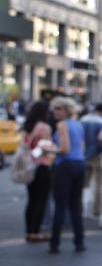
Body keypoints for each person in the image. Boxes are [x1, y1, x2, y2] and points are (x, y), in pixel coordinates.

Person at [47, 97, 86, 253]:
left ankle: (54, 243)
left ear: (67, 110)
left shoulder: (62, 125)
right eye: (54, 108)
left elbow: (65, 149)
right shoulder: (78, 124)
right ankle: (79, 241)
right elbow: (81, 147)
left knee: (60, 205)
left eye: (59, 108)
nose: (55, 111)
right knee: (75, 205)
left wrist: (49, 149)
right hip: (79, 164)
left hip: (65, 165)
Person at [21, 101, 53, 242]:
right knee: (41, 199)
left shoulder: (27, 127)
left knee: (32, 199)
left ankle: (29, 230)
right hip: (41, 165)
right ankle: (35, 231)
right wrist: (54, 149)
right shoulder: (44, 127)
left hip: (28, 166)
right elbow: (44, 148)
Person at [80, 102, 102, 218]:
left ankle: (79, 208)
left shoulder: (83, 120)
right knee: (98, 184)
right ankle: (97, 209)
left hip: (83, 155)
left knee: (82, 185)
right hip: (98, 155)